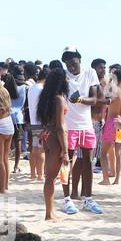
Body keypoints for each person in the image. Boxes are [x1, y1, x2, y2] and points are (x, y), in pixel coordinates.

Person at [61, 48, 104, 214]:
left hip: (86, 125)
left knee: (88, 163)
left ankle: (88, 198)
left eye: (73, 63)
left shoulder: (90, 73)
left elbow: (95, 99)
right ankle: (66, 199)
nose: (71, 67)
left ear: (79, 59)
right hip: (69, 126)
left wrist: (79, 99)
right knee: (66, 162)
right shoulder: (63, 76)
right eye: (68, 64)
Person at [39, 65, 71, 221]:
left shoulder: (47, 97)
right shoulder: (58, 99)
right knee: (51, 178)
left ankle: (50, 211)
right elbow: (60, 126)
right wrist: (65, 151)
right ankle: (49, 213)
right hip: (56, 138)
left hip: (47, 135)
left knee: (50, 177)